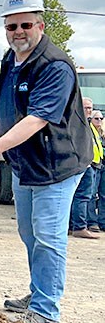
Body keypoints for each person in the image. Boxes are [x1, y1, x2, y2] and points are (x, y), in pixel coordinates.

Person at [0, 0, 91, 323]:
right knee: (29, 233)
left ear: (40, 25)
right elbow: (9, 98)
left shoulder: (56, 66)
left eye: (25, 25)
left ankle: (46, 311)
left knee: (48, 235)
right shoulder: (9, 59)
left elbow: (38, 117)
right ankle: (39, 291)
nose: (18, 32)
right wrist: (0, 112)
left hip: (57, 164)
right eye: (11, 27)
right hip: (25, 163)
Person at [69, 97, 102, 239]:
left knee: (83, 196)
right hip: (83, 164)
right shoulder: (77, 122)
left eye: (90, 108)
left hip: (91, 164)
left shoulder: (87, 123)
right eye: (86, 108)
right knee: (82, 196)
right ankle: (79, 227)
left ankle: (73, 226)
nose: (89, 111)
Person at [88, 109, 105, 233]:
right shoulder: (89, 130)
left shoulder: (100, 133)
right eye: (96, 118)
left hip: (100, 164)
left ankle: (102, 221)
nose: (99, 121)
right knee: (92, 195)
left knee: (102, 195)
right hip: (93, 164)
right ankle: (92, 222)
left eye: (101, 118)